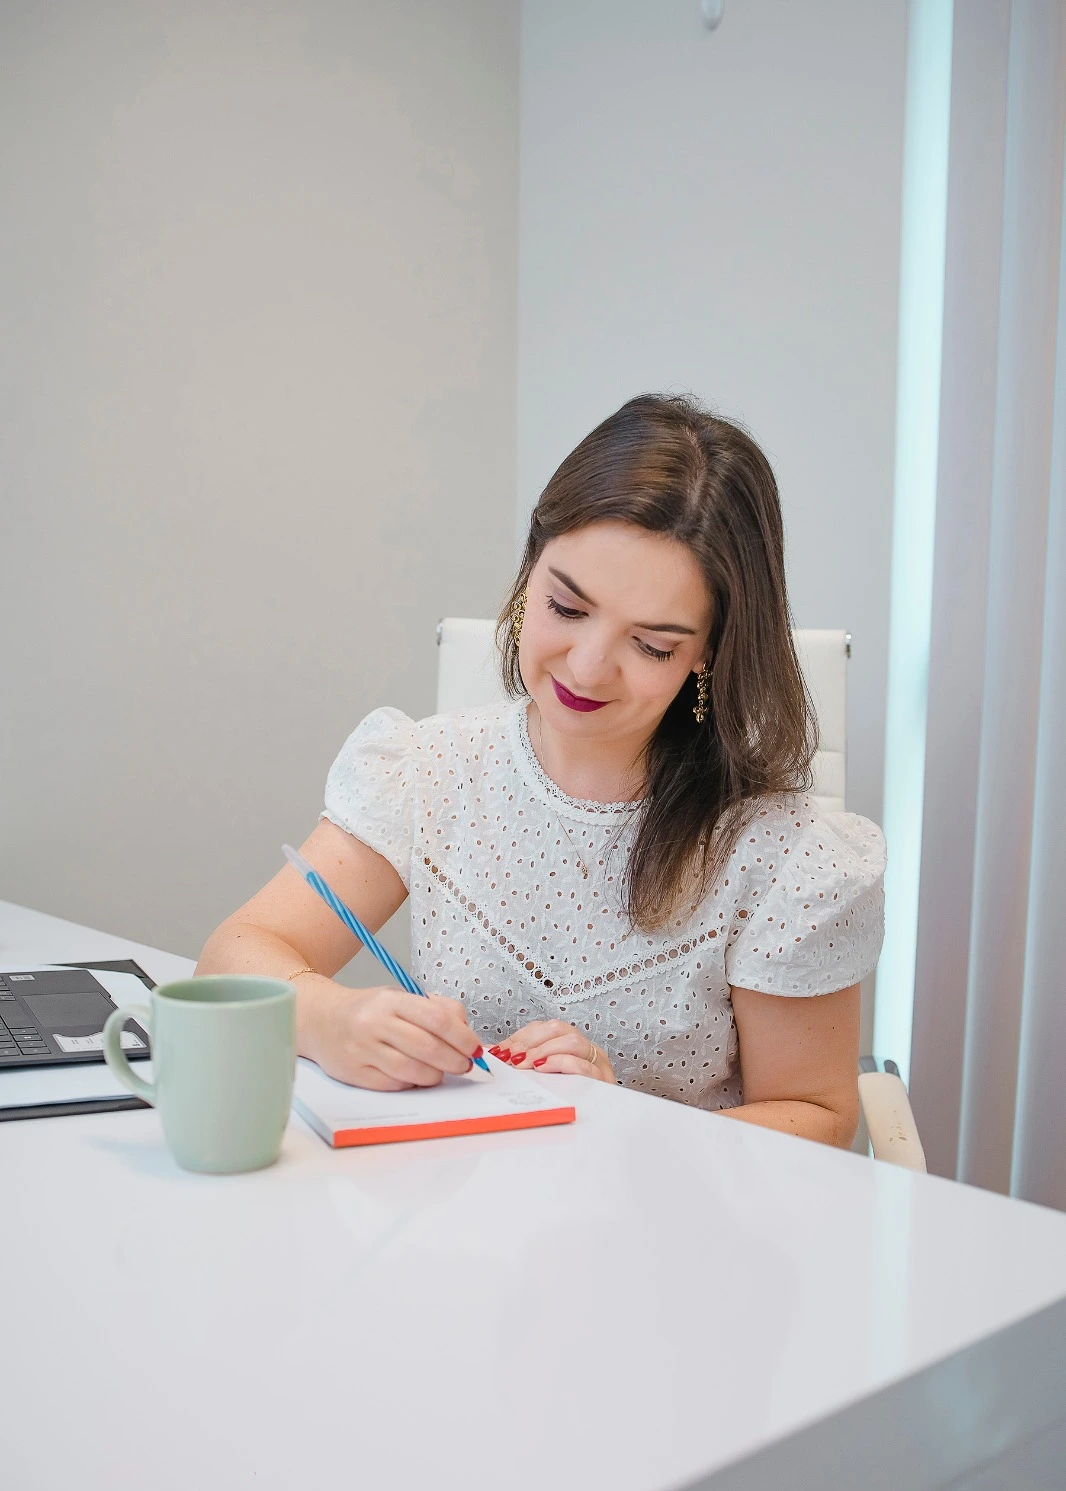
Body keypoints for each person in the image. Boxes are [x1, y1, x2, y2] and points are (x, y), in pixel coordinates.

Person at [198, 395, 885, 1146]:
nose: (587, 668)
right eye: (566, 606)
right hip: (453, 1216)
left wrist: (620, 1117)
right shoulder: (424, 772)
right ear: (530, 574)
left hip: (667, 1232)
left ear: (709, 655)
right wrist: (332, 1018)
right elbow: (236, 953)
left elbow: (820, 1117)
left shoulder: (783, 858)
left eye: (652, 645)